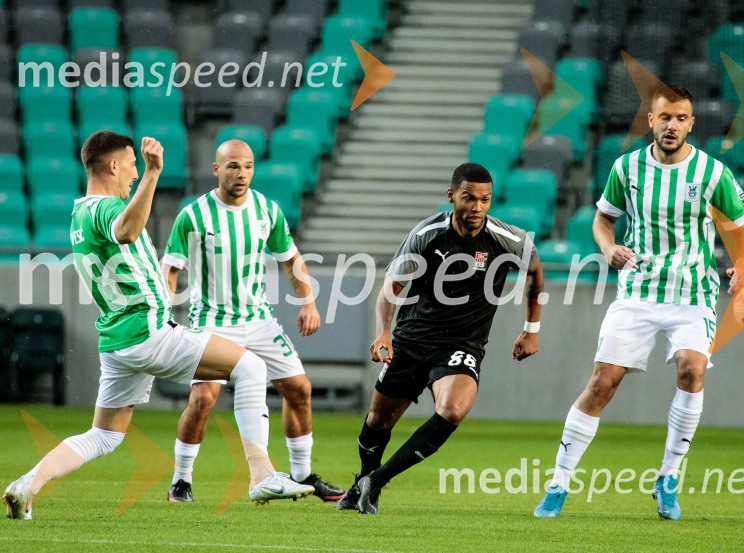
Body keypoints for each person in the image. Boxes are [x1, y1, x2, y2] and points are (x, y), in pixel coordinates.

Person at [3, 132, 314, 521]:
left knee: (105, 435)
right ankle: (262, 475)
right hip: (147, 330)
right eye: (131, 165)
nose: (134, 174)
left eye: (139, 167)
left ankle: (27, 484)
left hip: (116, 341)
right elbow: (126, 231)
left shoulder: (78, 214)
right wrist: (153, 173)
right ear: (114, 165)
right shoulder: (104, 208)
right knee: (251, 366)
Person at [534, 85, 744, 521]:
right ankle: (558, 484)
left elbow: (743, 237)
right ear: (650, 121)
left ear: (691, 124)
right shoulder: (627, 168)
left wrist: (742, 270)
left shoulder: (713, 174)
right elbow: (603, 218)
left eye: (681, 118)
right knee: (603, 383)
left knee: (692, 370)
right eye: (664, 117)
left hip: (693, 294)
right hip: (637, 292)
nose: (672, 125)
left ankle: (668, 479)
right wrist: (607, 247)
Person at [336, 162, 545, 515]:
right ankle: (363, 483)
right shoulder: (426, 234)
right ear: (452, 196)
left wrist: (531, 329)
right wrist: (383, 332)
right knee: (378, 421)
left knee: (453, 409)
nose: (477, 208)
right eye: (468, 198)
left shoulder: (508, 239)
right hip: (412, 339)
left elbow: (536, 271)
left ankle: (378, 481)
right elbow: (391, 289)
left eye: (485, 200)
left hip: (462, 345)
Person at [160, 140, 344, 503]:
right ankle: (180, 481)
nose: (241, 174)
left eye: (247, 166)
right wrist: (165, 314)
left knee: (300, 389)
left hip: (259, 320)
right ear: (216, 170)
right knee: (204, 398)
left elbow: (291, 260)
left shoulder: (267, 210)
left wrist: (308, 302)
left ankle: (302, 474)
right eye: (232, 167)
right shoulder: (193, 215)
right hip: (211, 320)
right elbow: (171, 269)